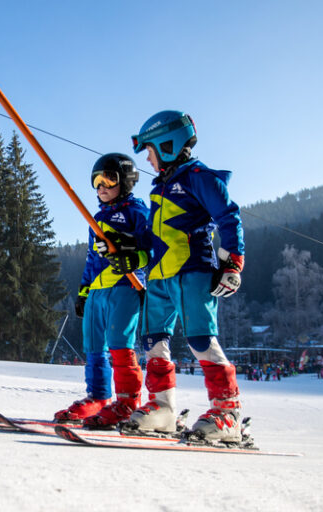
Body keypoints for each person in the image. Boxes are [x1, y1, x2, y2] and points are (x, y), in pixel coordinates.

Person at [122, 110, 247, 444]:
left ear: (167, 144)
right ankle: (162, 408)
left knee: (200, 341)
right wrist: (133, 257)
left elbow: (228, 218)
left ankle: (227, 413)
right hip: (159, 278)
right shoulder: (160, 188)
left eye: (149, 151)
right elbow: (153, 238)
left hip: (192, 272)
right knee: (153, 343)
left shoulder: (198, 177)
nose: (147, 159)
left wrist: (232, 263)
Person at [54, 153, 152, 429]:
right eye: (96, 181)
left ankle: (127, 402)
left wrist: (129, 248)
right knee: (94, 346)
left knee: (119, 344)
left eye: (108, 179)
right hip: (98, 290)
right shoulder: (96, 217)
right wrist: (84, 291)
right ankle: (98, 396)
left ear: (127, 181)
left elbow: (151, 248)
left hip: (124, 285)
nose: (101, 186)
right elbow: (90, 259)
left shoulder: (138, 212)